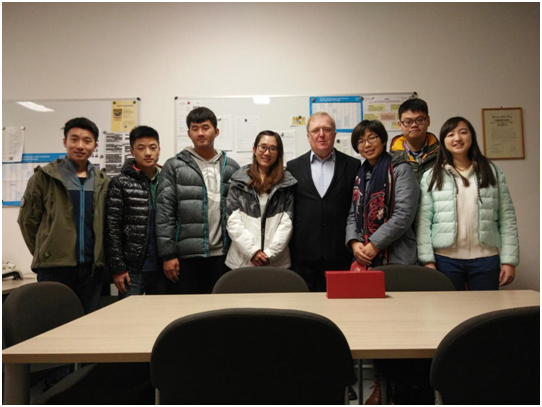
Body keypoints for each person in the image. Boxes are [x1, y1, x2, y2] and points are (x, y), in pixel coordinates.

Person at [18, 117, 109, 314]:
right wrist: (46, 249)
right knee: (54, 321)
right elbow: (27, 221)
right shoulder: (44, 178)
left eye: (87, 141)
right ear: (64, 142)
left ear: (95, 146)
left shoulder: (102, 181)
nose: (80, 145)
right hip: (54, 268)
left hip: (92, 270)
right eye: (74, 139)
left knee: (89, 322)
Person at [417, 116, 519, 290]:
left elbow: (507, 217)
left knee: (485, 307)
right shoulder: (431, 176)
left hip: (486, 259)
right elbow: (423, 221)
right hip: (445, 260)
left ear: (472, 136)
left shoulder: (492, 172)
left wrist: (509, 261)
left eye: (463, 132)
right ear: (443, 141)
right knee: (449, 307)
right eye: (450, 134)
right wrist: (427, 260)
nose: (457, 138)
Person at [156, 107, 239, 294]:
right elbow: (164, 214)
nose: (200, 133)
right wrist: (168, 255)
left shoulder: (231, 167)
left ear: (216, 131)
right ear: (189, 133)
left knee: (221, 307)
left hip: (224, 255)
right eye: (195, 128)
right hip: (186, 256)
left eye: (205, 128)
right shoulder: (174, 166)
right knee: (188, 307)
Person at [287, 112, 360, 292]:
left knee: (340, 303)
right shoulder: (293, 167)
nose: (321, 134)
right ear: (308, 136)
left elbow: (356, 208)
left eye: (326, 129)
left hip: (339, 252)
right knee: (304, 304)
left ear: (334, 134)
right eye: (316, 130)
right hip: (303, 254)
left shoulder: (353, 165)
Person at [345, 120, 419, 269]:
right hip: (365, 254)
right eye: (361, 141)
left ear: (383, 140)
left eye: (372, 138)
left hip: (397, 255)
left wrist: (375, 244)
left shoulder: (400, 169)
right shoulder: (360, 175)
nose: (367, 145)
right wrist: (354, 242)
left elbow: (404, 214)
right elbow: (353, 213)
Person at [105, 125, 167, 298]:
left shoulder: (167, 180)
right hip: (132, 268)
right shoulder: (120, 183)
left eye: (152, 147)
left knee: (163, 311)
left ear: (159, 149)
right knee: (129, 313)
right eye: (141, 148)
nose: (148, 153)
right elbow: (112, 228)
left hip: (162, 266)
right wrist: (118, 268)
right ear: (132, 151)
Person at [226, 131, 297, 269]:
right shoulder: (238, 180)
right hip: (242, 261)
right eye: (263, 147)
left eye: (273, 148)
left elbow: (287, 223)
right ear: (254, 149)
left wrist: (269, 254)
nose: (267, 152)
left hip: (277, 262)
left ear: (278, 153)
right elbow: (232, 220)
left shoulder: (286, 183)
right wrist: (252, 252)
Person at [390, 98, 439, 182]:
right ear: (400, 125)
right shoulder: (391, 159)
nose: (414, 125)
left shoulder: (443, 154)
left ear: (428, 121)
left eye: (419, 120)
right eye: (408, 122)